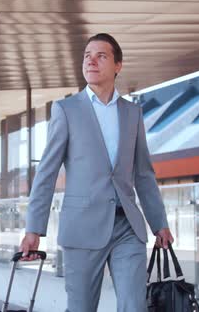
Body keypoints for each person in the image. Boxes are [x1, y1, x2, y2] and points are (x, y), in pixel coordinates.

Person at [19, 33, 174, 312]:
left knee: (134, 306)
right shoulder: (66, 110)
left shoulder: (132, 113)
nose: (91, 61)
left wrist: (158, 221)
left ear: (118, 65)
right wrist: (34, 228)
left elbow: (143, 174)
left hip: (127, 226)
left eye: (101, 56)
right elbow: (47, 171)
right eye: (87, 56)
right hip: (82, 228)